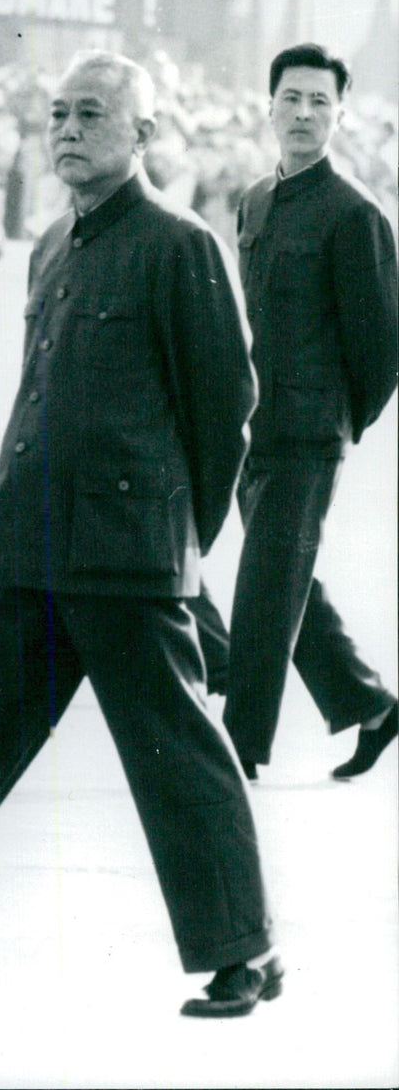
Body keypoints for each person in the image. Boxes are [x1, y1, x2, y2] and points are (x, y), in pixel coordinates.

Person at [0, 51, 281, 1018]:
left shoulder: (180, 243)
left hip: (128, 558)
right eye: (59, 114)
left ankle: (242, 951)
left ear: (144, 136)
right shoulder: (51, 242)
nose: (68, 130)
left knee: (178, 761)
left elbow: (225, 409)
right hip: (24, 543)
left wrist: (176, 540)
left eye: (91, 115)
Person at [206, 44, 398, 782]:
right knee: (286, 579)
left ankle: (236, 751)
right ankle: (369, 703)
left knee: (263, 593)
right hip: (253, 428)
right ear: (269, 106)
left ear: (340, 114)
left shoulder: (356, 214)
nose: (304, 113)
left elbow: (382, 353)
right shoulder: (254, 199)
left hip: (309, 436)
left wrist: (334, 426)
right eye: (291, 98)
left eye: (320, 101)